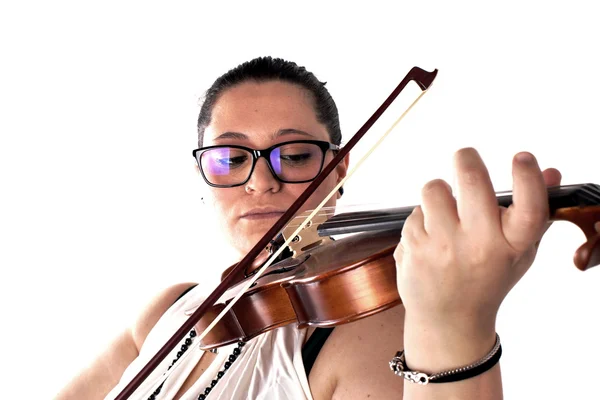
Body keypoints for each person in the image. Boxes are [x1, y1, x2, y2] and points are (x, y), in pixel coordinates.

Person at [55, 56, 562, 400]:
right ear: (203, 176)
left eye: (295, 155)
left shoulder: (369, 331)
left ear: (338, 170)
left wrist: (455, 327)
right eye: (231, 158)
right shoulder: (169, 310)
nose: (261, 182)